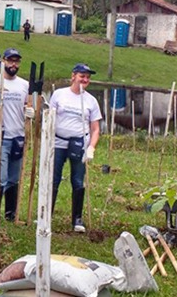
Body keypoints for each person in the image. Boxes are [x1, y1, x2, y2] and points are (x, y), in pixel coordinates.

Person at [49, 63, 101, 233]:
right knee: (53, 179)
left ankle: (77, 219)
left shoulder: (91, 101)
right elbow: (49, 118)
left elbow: (95, 129)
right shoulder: (59, 95)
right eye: (81, 76)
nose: (84, 80)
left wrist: (91, 148)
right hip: (58, 143)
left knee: (78, 180)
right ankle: (46, 215)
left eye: (87, 77)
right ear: (73, 76)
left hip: (79, 144)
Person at [0, 48, 30, 221]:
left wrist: (30, 111)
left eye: (16, 61)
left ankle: (10, 213)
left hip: (19, 135)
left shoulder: (24, 84)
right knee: (1, 177)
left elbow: (28, 104)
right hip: (1, 136)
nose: (13, 64)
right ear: (3, 61)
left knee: (14, 178)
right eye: (10, 60)